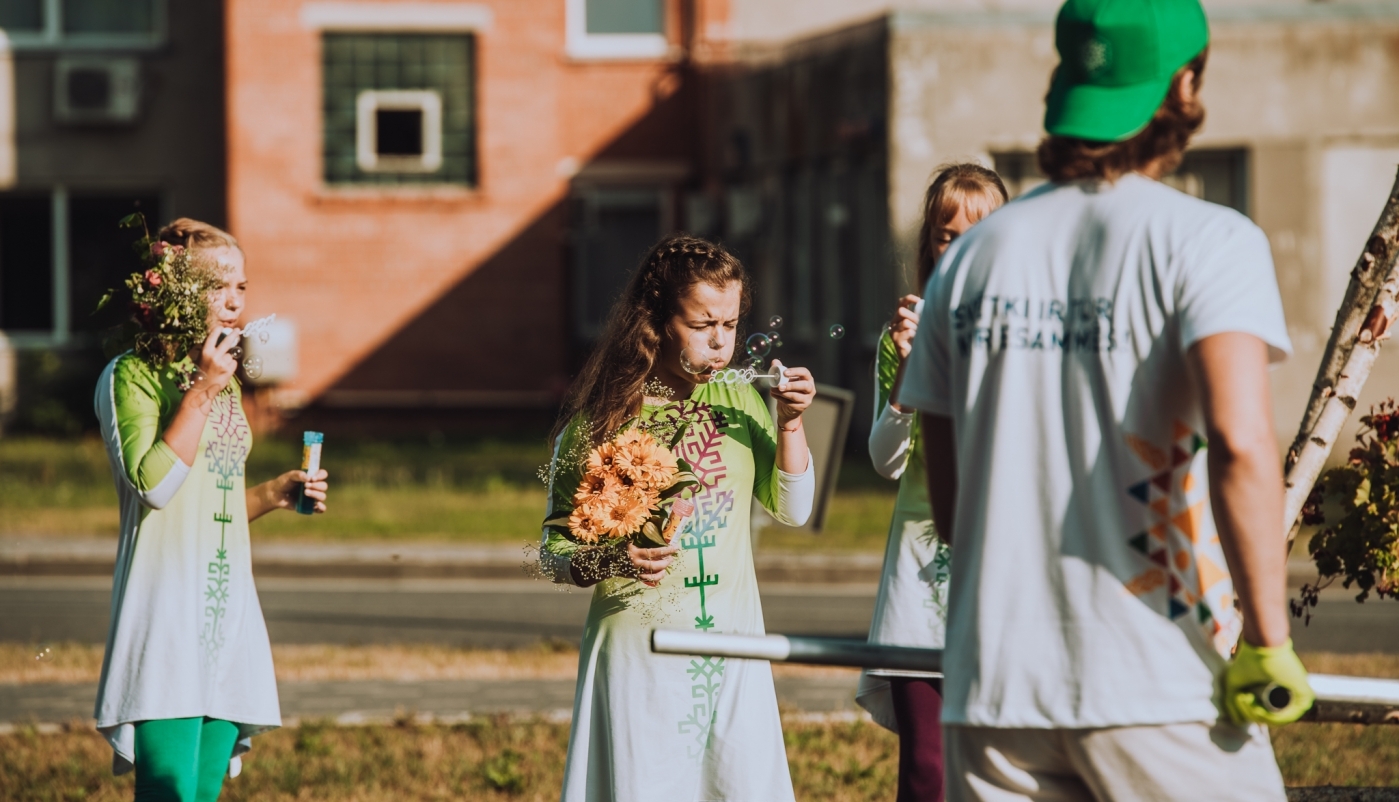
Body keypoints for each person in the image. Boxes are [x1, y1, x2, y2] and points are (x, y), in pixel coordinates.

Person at [897, 1, 1315, 799]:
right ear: (1184, 86)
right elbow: (1238, 442)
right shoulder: (1210, 240)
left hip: (991, 691)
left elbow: (952, 509)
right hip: (1155, 683)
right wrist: (1266, 639)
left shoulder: (969, 260)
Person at [539, 234, 816, 801]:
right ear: (659, 319)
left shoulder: (739, 399)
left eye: (732, 325)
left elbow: (793, 509)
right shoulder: (604, 422)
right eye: (702, 324)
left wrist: (790, 424)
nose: (721, 344)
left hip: (734, 649)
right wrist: (610, 557)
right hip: (643, 653)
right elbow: (551, 553)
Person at [93, 218, 330, 801]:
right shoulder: (133, 375)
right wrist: (199, 390)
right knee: (168, 794)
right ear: (173, 290)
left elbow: (209, 501)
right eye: (216, 285)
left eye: (242, 287)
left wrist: (276, 493)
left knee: (201, 794)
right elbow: (153, 486)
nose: (233, 301)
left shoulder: (223, 384)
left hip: (228, 616)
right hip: (167, 617)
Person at [857, 163, 1006, 802]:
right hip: (921, 580)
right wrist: (910, 371)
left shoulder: (1026, 336)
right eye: (948, 234)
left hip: (1004, 572)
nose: (964, 246)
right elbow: (886, 461)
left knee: (1002, 762)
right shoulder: (903, 341)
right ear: (930, 246)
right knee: (925, 767)